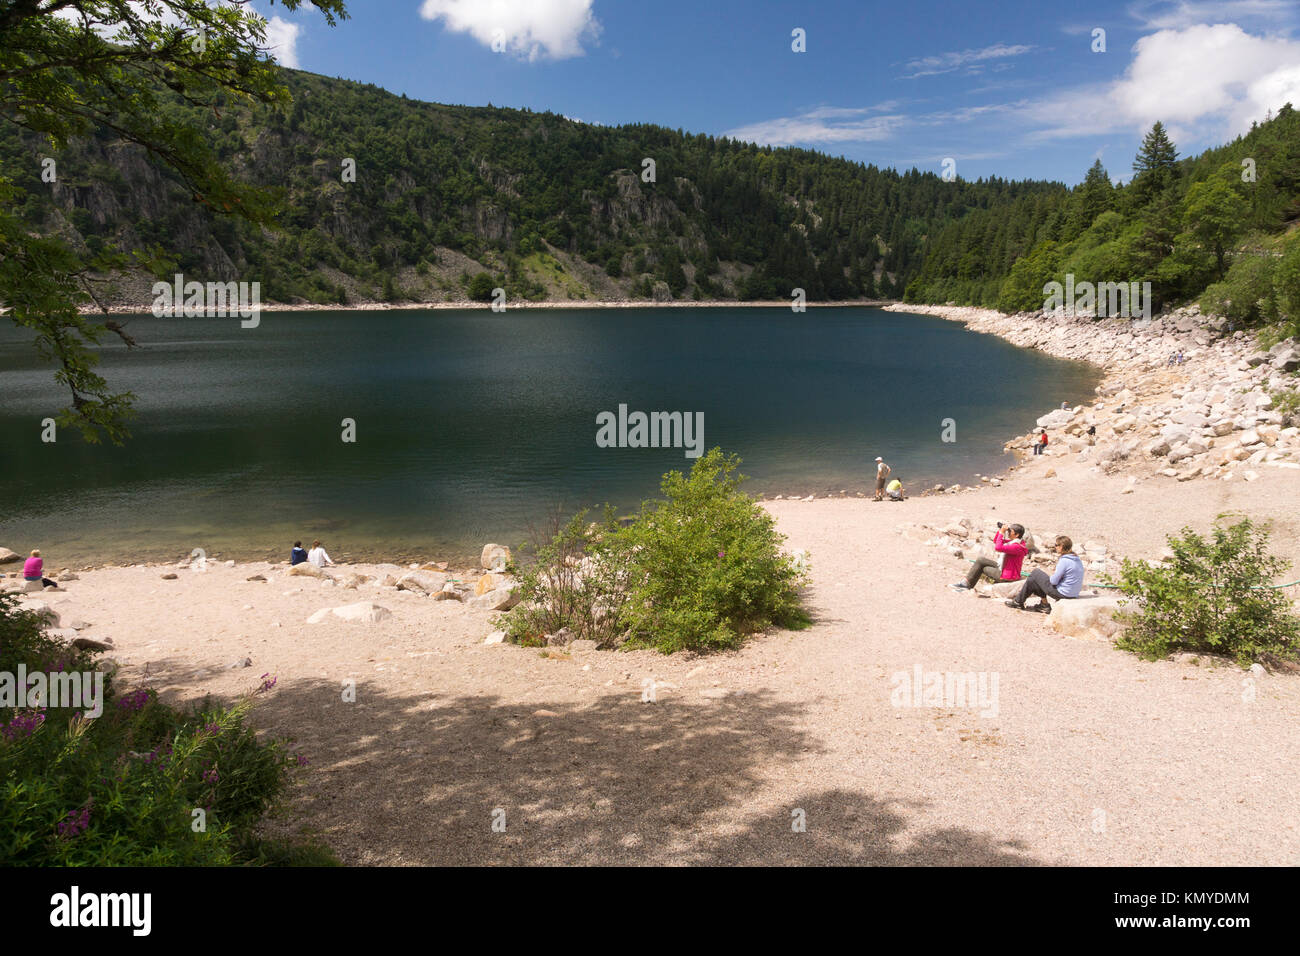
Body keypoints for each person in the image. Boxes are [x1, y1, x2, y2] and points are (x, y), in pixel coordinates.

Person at [1007, 535, 1085, 612]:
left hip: (1063, 594)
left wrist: (1050, 578)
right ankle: (1043, 605)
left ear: (1061, 547)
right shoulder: (1076, 559)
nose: (1055, 547)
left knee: (1035, 572)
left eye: (1056, 545)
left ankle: (1019, 602)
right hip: (1073, 593)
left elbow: (1053, 581)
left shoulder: (1064, 561)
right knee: (1032, 580)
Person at [952, 523, 1028, 591]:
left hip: (1008, 577)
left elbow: (998, 547)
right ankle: (966, 583)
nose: (1008, 533)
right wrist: (1000, 531)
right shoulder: (1016, 542)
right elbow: (996, 541)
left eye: (1010, 531)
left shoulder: (1017, 547)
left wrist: (1002, 532)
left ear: (1017, 535)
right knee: (981, 560)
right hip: (1004, 568)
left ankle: (967, 585)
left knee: (984, 568)